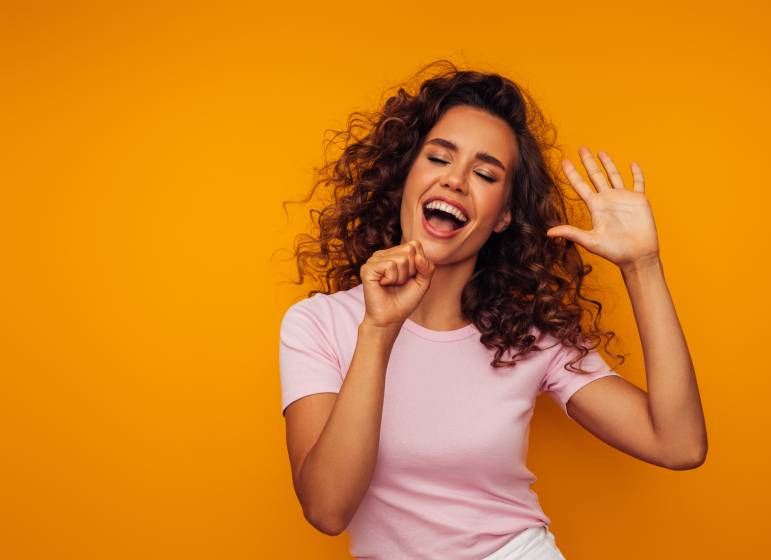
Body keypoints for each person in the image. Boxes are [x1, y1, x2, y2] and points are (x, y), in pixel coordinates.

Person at [277, 60, 708, 559]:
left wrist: (643, 265)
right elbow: (327, 510)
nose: (456, 181)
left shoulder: (527, 337)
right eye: (439, 159)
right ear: (406, 176)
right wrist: (378, 329)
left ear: (504, 214)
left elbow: (678, 446)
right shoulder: (318, 325)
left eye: (484, 173)